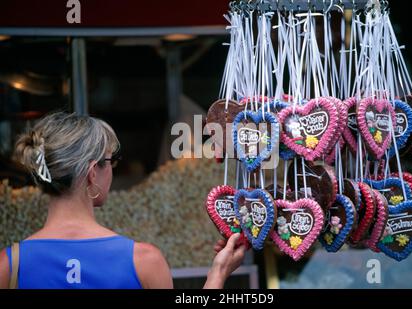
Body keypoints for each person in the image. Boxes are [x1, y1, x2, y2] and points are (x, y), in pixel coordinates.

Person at [0, 112, 245, 289]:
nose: (113, 171)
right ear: (93, 172)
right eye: (110, 162)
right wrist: (218, 272)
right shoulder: (143, 261)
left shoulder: (9, 265)